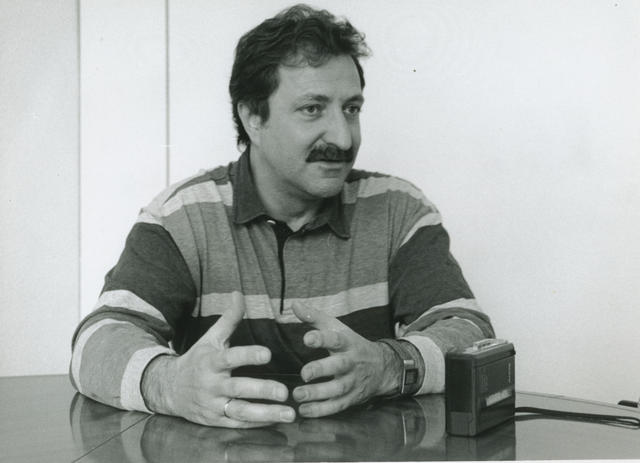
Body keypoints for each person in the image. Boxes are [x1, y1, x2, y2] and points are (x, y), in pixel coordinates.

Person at [69, 4, 494, 429]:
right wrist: (169, 384)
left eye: (351, 109)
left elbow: (470, 333)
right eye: (313, 109)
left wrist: (389, 365)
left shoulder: (399, 210)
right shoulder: (180, 219)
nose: (344, 137)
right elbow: (95, 343)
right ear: (253, 117)